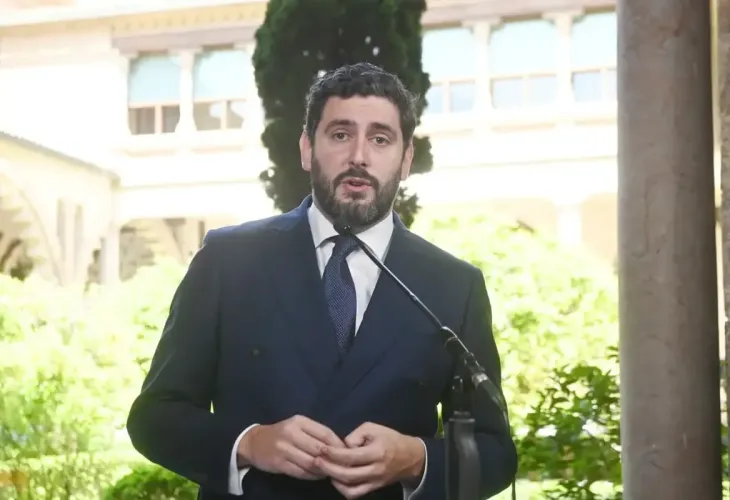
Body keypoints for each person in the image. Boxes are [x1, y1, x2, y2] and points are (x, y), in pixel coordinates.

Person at [126, 62, 517, 500]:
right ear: (307, 148)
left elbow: (496, 453)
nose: (359, 156)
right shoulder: (228, 260)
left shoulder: (454, 285)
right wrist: (249, 443)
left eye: (381, 139)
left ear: (406, 159)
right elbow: (154, 417)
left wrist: (416, 459)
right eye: (340, 134)